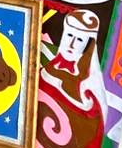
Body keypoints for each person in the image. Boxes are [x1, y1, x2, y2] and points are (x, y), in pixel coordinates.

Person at [36, 8, 107, 148]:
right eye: (69, 35)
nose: (72, 44)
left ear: (88, 44)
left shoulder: (90, 85)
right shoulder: (48, 67)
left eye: (79, 39)